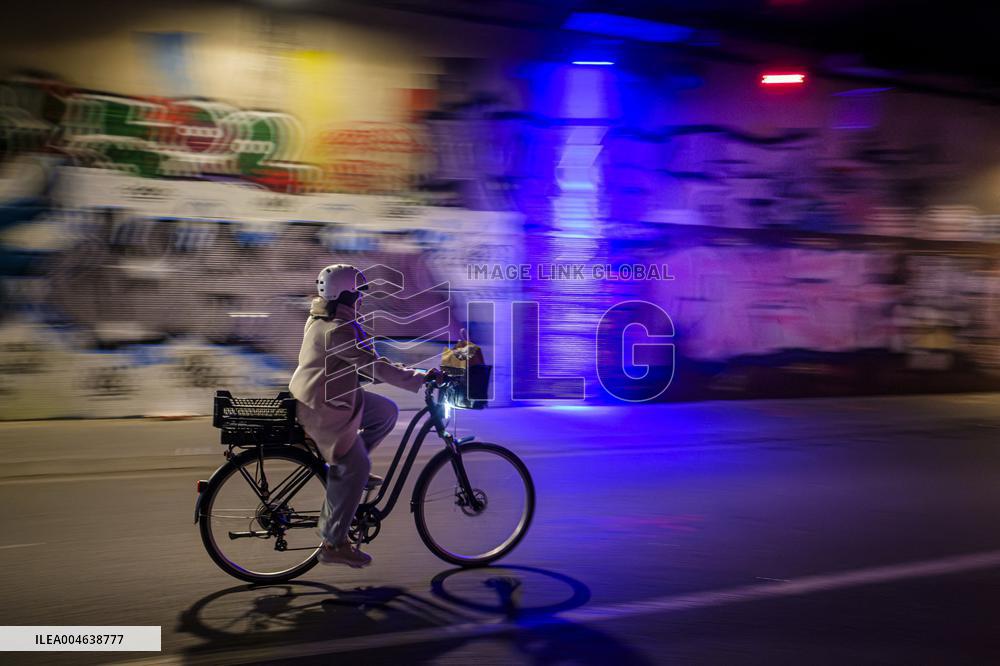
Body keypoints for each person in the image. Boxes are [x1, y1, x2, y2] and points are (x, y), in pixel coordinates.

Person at [289, 264, 440, 568]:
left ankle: (351, 468)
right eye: (358, 294)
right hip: (323, 407)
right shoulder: (338, 329)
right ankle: (334, 543)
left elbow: (363, 363)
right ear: (345, 295)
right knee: (356, 465)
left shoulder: (325, 319)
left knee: (386, 412)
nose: (361, 299)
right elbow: (373, 366)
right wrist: (420, 378)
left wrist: (408, 372)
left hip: (331, 394)